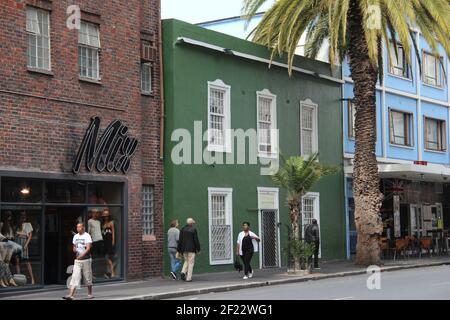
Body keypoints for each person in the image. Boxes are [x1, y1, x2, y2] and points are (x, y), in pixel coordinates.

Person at [63, 222, 93, 300]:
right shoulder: (75, 236)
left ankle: (90, 294)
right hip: (77, 260)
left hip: (86, 259)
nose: (78, 228)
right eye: (77, 227)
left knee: (87, 277)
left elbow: (88, 248)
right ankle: (71, 295)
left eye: (79, 227)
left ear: (83, 228)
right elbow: (74, 246)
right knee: (75, 277)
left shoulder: (87, 236)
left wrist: (80, 256)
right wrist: (74, 250)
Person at [177, 218, 200, 282]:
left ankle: (183, 272)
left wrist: (178, 250)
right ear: (191, 223)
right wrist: (198, 249)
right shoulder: (193, 230)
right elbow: (196, 240)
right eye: (193, 223)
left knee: (186, 261)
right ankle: (188, 278)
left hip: (184, 249)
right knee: (191, 263)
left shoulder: (182, 229)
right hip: (191, 249)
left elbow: (180, 240)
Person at [15, 211, 35, 285]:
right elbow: (15, 233)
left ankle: (32, 279)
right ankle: (18, 280)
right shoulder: (17, 225)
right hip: (17, 242)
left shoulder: (28, 224)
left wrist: (26, 244)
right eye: (21, 215)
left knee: (27, 261)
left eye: (24, 215)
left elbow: (30, 235)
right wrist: (22, 234)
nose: (23, 217)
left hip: (24, 243)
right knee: (17, 261)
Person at [88, 208, 104, 276]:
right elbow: (88, 232)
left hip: (100, 240)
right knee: (94, 258)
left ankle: (100, 272)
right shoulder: (89, 221)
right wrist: (89, 242)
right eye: (95, 212)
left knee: (100, 257)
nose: (96, 214)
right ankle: (93, 273)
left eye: (97, 212)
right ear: (92, 213)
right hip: (94, 241)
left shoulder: (98, 222)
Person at [101, 208, 115, 279]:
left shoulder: (111, 223)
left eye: (107, 216)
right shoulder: (103, 223)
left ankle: (112, 272)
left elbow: (113, 233)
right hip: (104, 242)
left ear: (109, 216)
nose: (106, 217)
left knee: (108, 258)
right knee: (105, 258)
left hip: (109, 242)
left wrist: (113, 241)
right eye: (104, 216)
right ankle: (108, 272)